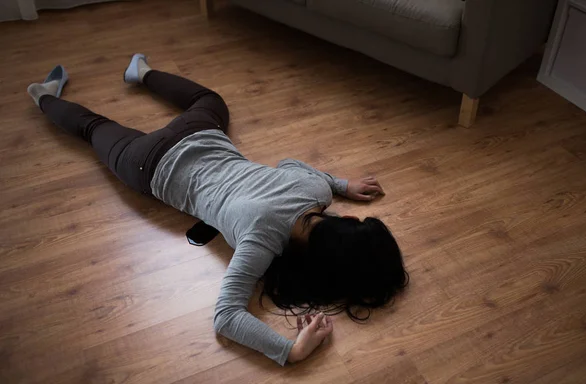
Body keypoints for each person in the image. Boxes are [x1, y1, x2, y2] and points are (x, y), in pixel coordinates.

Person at [27, 54, 409, 365]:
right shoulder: (261, 242)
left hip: (198, 132)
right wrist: (289, 351)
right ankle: (43, 96)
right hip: (149, 165)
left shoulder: (314, 189)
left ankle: (141, 72)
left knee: (209, 101)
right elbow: (226, 317)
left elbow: (292, 163)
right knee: (93, 128)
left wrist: (340, 183)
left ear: (342, 219)